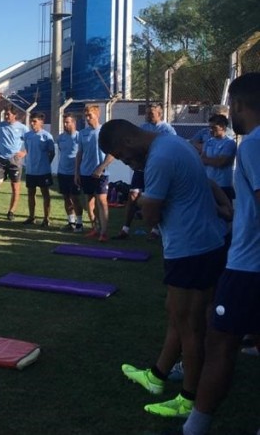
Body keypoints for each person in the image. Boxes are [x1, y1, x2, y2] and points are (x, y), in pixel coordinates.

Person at [99, 118, 230, 419]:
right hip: (200, 244)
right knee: (176, 313)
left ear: (127, 141)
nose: (127, 163)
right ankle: (157, 376)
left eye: (122, 156)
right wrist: (225, 207)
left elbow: (151, 214)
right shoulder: (175, 144)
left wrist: (141, 203)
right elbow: (207, 183)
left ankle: (188, 400)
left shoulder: (159, 158)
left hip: (191, 250)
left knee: (190, 326)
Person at [180, 72, 260, 435]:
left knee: (220, 342)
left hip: (249, 266)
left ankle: (194, 429)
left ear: (239, 104)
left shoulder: (253, 145)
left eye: (232, 107)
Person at [114, 103, 177, 240]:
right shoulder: (142, 128)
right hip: (142, 167)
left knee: (155, 197)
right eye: (147, 113)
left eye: (151, 113)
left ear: (159, 114)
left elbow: (172, 146)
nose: (147, 116)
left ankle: (155, 229)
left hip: (157, 168)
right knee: (132, 196)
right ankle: (125, 229)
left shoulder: (167, 130)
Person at [74, 104, 113, 242]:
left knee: (102, 201)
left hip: (101, 174)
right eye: (86, 115)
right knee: (89, 202)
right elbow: (80, 153)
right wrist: (77, 172)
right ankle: (95, 228)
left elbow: (112, 153)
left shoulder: (105, 132)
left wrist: (101, 168)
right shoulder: (82, 133)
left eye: (89, 115)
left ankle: (104, 232)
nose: (87, 118)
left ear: (97, 115)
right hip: (85, 173)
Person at [20, 112, 54, 226]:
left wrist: (46, 164)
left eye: (34, 121)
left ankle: (46, 218)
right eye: (31, 121)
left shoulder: (47, 136)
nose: (32, 123)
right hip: (31, 171)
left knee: (45, 194)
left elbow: (52, 153)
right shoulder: (27, 135)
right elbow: (27, 150)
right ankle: (31, 217)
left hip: (43, 171)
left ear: (41, 122)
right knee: (31, 193)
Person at [56, 112, 84, 232]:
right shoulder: (60, 138)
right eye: (64, 122)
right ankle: (71, 222)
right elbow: (61, 150)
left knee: (75, 198)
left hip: (74, 173)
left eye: (67, 122)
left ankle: (79, 223)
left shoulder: (79, 137)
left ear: (74, 123)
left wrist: (78, 172)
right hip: (62, 172)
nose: (65, 125)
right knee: (66, 197)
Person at [200, 114, 237, 201]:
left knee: (225, 207)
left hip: (223, 185)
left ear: (222, 127)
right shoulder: (209, 142)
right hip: (209, 183)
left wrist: (208, 160)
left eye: (214, 127)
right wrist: (213, 160)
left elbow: (221, 162)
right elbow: (202, 159)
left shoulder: (229, 143)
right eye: (210, 127)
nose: (211, 130)